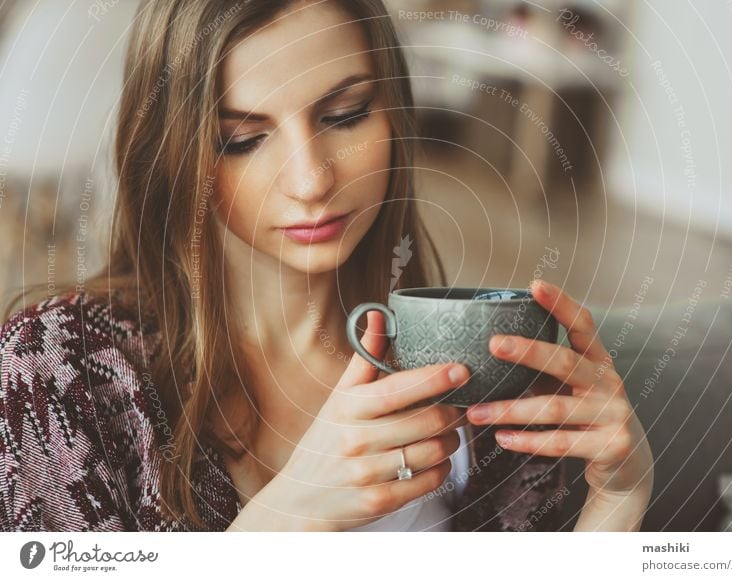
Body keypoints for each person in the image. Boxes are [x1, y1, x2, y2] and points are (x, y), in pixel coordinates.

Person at [0, 0, 653, 532]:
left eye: (345, 115)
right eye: (243, 139)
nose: (312, 179)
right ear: (174, 154)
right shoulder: (58, 372)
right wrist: (283, 520)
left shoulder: (463, 371)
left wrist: (617, 502)